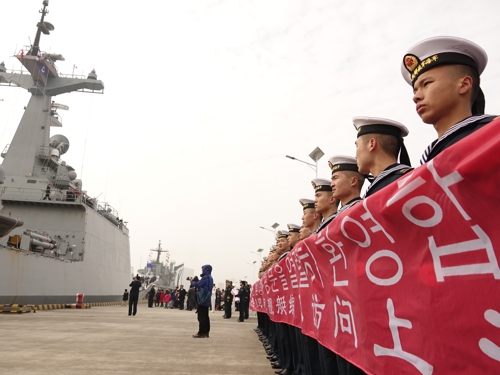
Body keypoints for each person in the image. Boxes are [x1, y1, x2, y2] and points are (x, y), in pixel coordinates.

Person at [401, 36, 497, 164]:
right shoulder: (428, 158)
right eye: (415, 90)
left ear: (464, 85)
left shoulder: (494, 133)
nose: (415, 97)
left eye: (426, 84)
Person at [353, 117, 412, 197]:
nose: (355, 156)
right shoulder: (407, 179)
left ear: (372, 144)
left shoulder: (399, 181)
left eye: (357, 146)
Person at [190, 265, 213, 338]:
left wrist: (192, 282)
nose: (202, 271)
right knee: (206, 316)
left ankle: (201, 332)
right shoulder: (210, 278)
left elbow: (198, 285)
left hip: (202, 299)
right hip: (206, 299)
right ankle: (206, 332)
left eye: (202, 269)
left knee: (201, 317)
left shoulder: (205, 277)